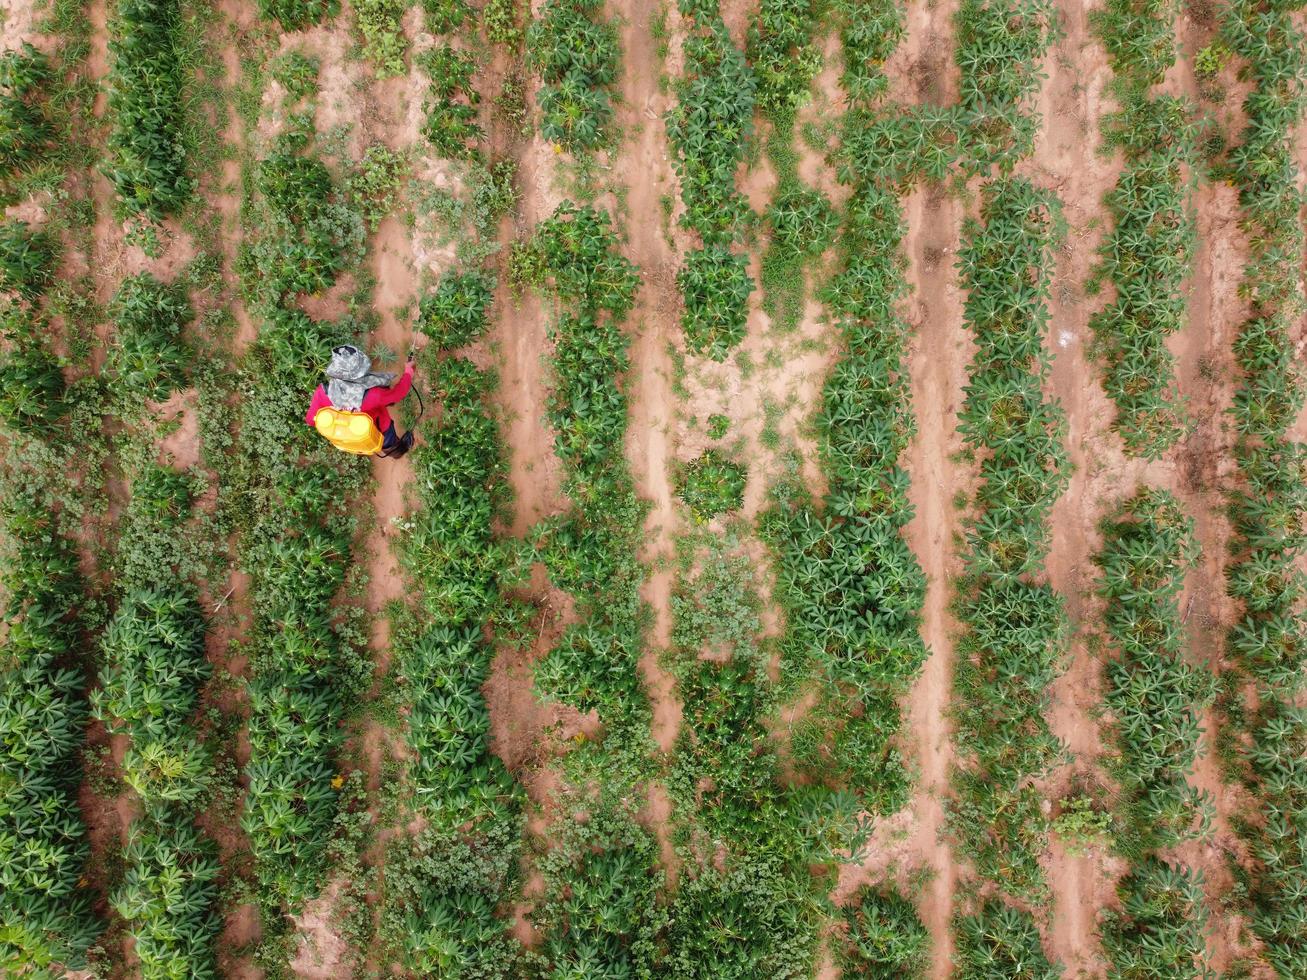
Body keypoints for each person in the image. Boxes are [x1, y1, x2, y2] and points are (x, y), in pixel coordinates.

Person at [305, 345, 416, 457]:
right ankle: (397, 452)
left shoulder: (322, 392)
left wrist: (339, 412)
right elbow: (398, 394)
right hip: (381, 430)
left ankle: (391, 452)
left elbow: (310, 420)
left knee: (379, 444)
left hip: (352, 437)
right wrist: (408, 372)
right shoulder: (373, 395)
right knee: (388, 441)